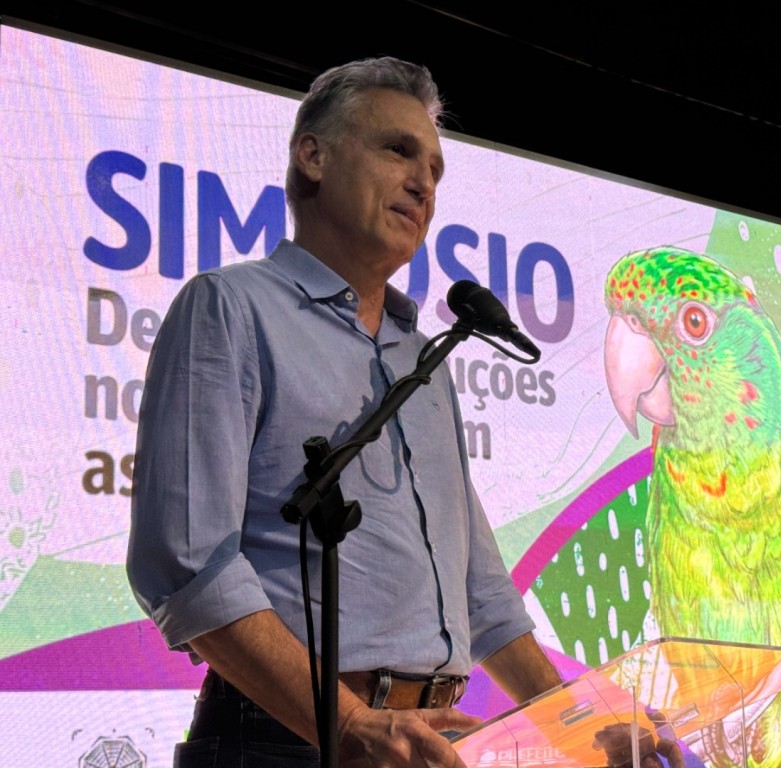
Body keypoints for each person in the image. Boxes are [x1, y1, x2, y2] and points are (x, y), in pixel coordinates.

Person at [126, 56, 563, 768]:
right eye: (397, 150)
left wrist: (582, 721)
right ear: (314, 156)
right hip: (284, 742)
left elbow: (482, 594)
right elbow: (187, 563)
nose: (423, 183)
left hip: (426, 742)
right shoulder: (230, 309)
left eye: (435, 169)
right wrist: (354, 723)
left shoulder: (424, 359)